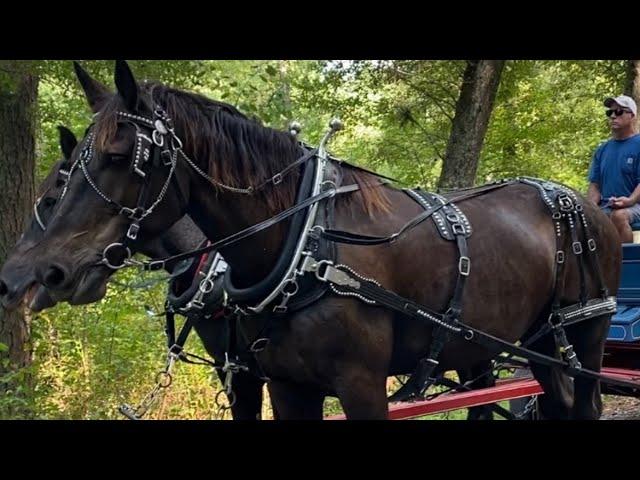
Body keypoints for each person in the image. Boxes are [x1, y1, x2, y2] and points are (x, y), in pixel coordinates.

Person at [587, 94, 640, 243]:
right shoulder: (602, 150)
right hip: (607, 206)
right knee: (581, 221)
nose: (613, 116)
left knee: (619, 216)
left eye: (619, 112)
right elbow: (595, 185)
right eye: (610, 112)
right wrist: (590, 208)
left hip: (635, 206)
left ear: (632, 115)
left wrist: (629, 200)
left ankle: (624, 264)